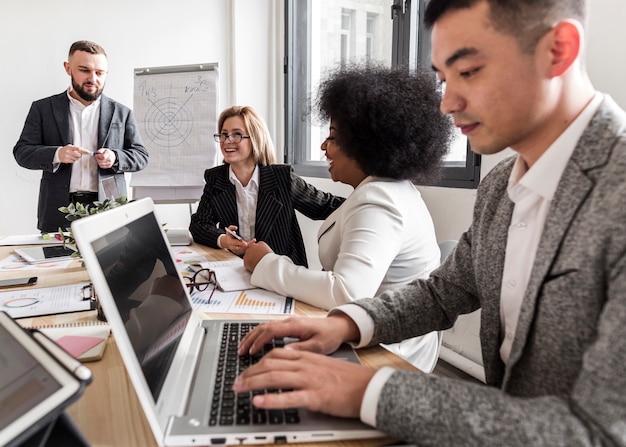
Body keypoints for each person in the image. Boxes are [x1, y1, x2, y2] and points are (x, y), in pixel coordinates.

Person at [233, 0, 626, 445]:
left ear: (559, 49)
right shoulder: (501, 185)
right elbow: (445, 291)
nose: (447, 104)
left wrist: (369, 390)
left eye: (469, 71)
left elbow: (601, 432)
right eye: (443, 79)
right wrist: (347, 323)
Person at [243, 65, 452, 372]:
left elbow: (346, 293)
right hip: (371, 332)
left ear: (366, 143)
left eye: (333, 137)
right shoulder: (387, 189)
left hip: (387, 354)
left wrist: (266, 263)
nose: (323, 147)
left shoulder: (379, 199)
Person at [13, 40, 148, 233]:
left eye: (99, 73)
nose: (92, 78)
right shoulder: (42, 109)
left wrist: (115, 157)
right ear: (68, 68)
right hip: (58, 210)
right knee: (58, 263)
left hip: (109, 209)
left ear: (106, 73)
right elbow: (22, 152)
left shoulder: (122, 112)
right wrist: (57, 154)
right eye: (84, 70)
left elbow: (141, 156)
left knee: (111, 264)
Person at [189, 105, 344, 267]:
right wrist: (224, 241)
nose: (227, 141)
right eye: (223, 134)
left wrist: (366, 197)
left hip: (281, 270)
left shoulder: (282, 178)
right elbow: (199, 224)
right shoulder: (216, 179)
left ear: (255, 138)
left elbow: (326, 206)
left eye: (237, 135)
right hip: (234, 269)